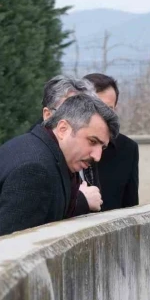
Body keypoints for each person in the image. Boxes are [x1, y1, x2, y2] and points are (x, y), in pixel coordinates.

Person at [0, 94, 119, 246]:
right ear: (63, 129)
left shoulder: (38, 151)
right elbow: (13, 253)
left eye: (102, 147)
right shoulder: (34, 169)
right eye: (92, 141)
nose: (97, 156)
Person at [40, 75, 104, 214]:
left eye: (82, 112)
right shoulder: (36, 159)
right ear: (47, 115)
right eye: (67, 111)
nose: (76, 119)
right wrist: (81, 201)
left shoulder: (90, 150)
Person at [83, 73, 140, 209]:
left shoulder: (128, 149)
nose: (102, 116)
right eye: (96, 107)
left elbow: (130, 207)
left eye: (108, 109)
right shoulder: (63, 145)